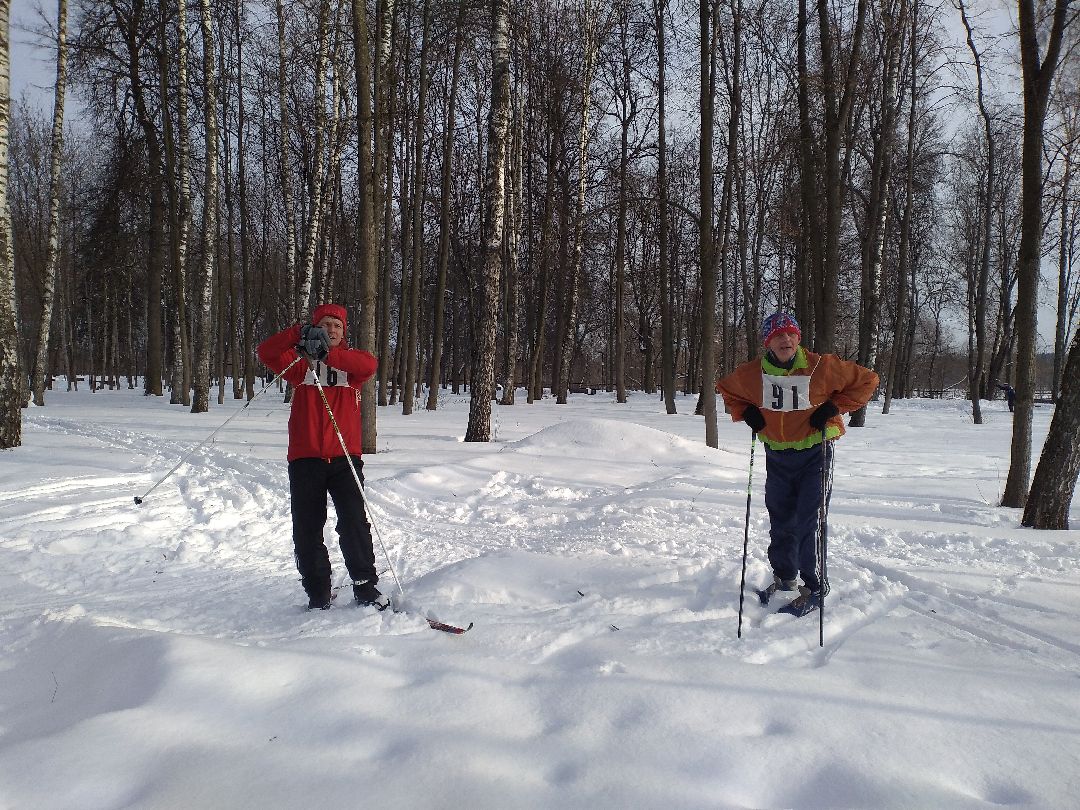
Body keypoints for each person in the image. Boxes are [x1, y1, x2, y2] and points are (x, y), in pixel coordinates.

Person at [716, 312, 878, 616]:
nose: (785, 340)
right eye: (778, 336)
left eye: (790, 334)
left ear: (798, 337)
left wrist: (834, 406)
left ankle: (815, 585)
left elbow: (867, 381)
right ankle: (785, 577)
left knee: (809, 521)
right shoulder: (753, 374)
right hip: (777, 456)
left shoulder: (821, 366)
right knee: (781, 518)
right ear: (768, 342)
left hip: (815, 454)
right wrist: (746, 411)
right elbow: (727, 390)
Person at [257, 303, 384, 611]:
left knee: (353, 523)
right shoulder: (300, 367)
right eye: (325, 325)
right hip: (306, 459)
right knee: (307, 526)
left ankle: (365, 586)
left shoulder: (352, 365)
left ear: (344, 332)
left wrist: (328, 354)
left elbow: (369, 366)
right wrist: (297, 335)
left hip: (345, 458)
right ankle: (318, 591)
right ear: (316, 328)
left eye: (337, 326)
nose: (331, 330)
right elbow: (266, 353)